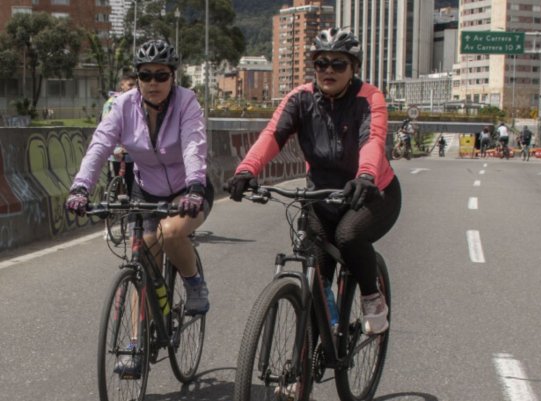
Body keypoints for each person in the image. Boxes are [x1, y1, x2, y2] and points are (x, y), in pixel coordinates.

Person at [226, 27, 401, 336]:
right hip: (322, 195)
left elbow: (372, 140)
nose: (328, 70)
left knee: (348, 237)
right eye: (321, 63)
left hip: (372, 193)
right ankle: (320, 342)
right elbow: (272, 135)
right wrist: (246, 170)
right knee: (316, 270)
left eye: (338, 64)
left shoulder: (369, 98)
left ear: (353, 68)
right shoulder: (300, 99)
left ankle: (372, 297)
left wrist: (365, 176)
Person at [65, 40, 213, 377]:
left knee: (173, 232)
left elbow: (193, 144)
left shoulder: (187, 102)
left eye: (161, 75)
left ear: (173, 76)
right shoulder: (122, 105)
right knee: (142, 260)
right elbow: (100, 144)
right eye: (146, 75)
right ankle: (134, 343)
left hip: (187, 189)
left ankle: (192, 282)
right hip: (145, 189)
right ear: (138, 77)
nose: (154, 82)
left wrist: (193, 187)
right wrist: (81, 186)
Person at [102, 70, 138, 196]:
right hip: (117, 154)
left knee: (135, 189)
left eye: (136, 85)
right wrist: (116, 149)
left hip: (135, 155)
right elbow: (108, 130)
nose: (133, 88)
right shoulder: (112, 103)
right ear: (122, 85)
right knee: (115, 189)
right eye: (130, 85)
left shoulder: (139, 102)